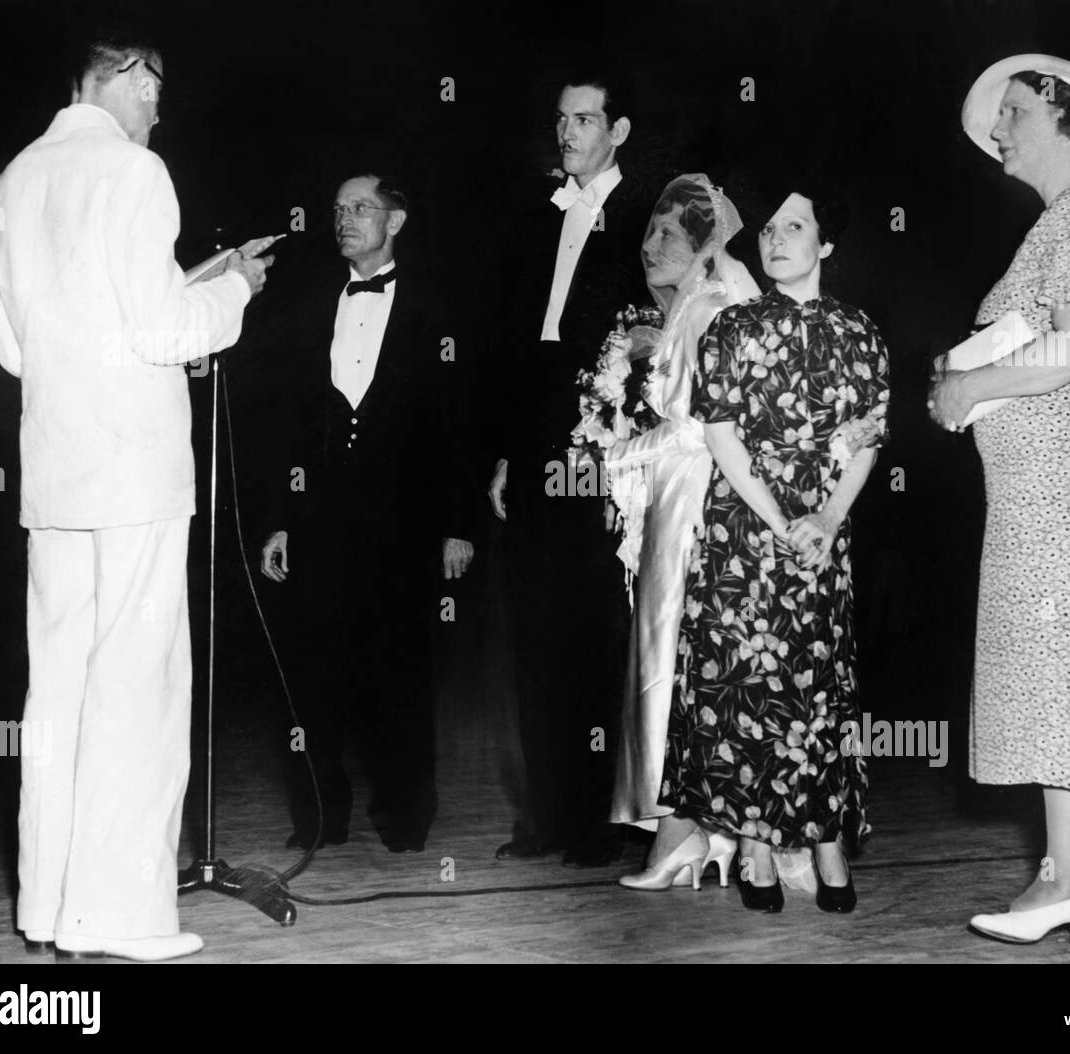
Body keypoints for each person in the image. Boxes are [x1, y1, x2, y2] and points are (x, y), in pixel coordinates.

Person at [0, 30, 272, 961]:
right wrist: (235, 295)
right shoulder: (137, 174)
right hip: (138, 473)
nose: (161, 110)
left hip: (57, 475)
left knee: (58, 693)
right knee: (136, 692)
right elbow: (157, 334)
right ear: (129, 78)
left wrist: (194, 281)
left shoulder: (16, 179)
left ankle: (53, 910)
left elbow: (19, 349)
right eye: (157, 90)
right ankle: (126, 919)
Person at [930, 54, 1070, 954]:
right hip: (1040, 482)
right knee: (1054, 667)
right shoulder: (1067, 221)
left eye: (1014, 111)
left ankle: (1069, 878)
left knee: (1069, 663)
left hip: (1067, 474)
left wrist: (968, 383)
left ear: (1064, 113)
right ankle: (1069, 878)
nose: (999, 132)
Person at [657, 185, 890, 912]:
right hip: (742, 531)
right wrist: (779, 517)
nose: (777, 238)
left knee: (817, 689)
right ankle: (755, 846)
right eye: (769, 228)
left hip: (821, 535)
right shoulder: (730, 328)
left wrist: (823, 518)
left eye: (796, 227)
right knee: (746, 690)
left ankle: (825, 841)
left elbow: (866, 441)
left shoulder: (859, 333)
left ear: (825, 245)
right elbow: (721, 435)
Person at [260, 173, 477, 854]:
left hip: (404, 520)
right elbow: (288, 423)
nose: (344, 219)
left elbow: (456, 422)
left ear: (397, 220)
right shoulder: (306, 305)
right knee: (315, 671)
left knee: (401, 671)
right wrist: (280, 518)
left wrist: (457, 523)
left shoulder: (437, 308)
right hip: (321, 516)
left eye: (359, 208)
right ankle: (320, 816)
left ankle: (405, 816)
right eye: (337, 210)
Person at [487, 73, 653, 865]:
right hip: (535, 428)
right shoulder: (530, 217)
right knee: (536, 624)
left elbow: (658, 342)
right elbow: (511, 348)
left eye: (584, 119)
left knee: (594, 622)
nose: (567, 132)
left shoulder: (648, 222)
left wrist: (621, 447)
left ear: (616, 129)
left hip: (604, 438)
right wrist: (505, 454)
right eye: (560, 119)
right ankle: (548, 815)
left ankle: (598, 819)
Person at [604, 175, 759, 886]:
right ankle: (691, 829)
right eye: (648, 233)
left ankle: (681, 829)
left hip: (695, 493)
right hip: (679, 490)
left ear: (704, 243)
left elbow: (699, 424)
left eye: (669, 233)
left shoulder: (713, 304)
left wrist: (624, 454)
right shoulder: (692, 307)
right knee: (670, 646)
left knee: (673, 646)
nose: (650, 246)